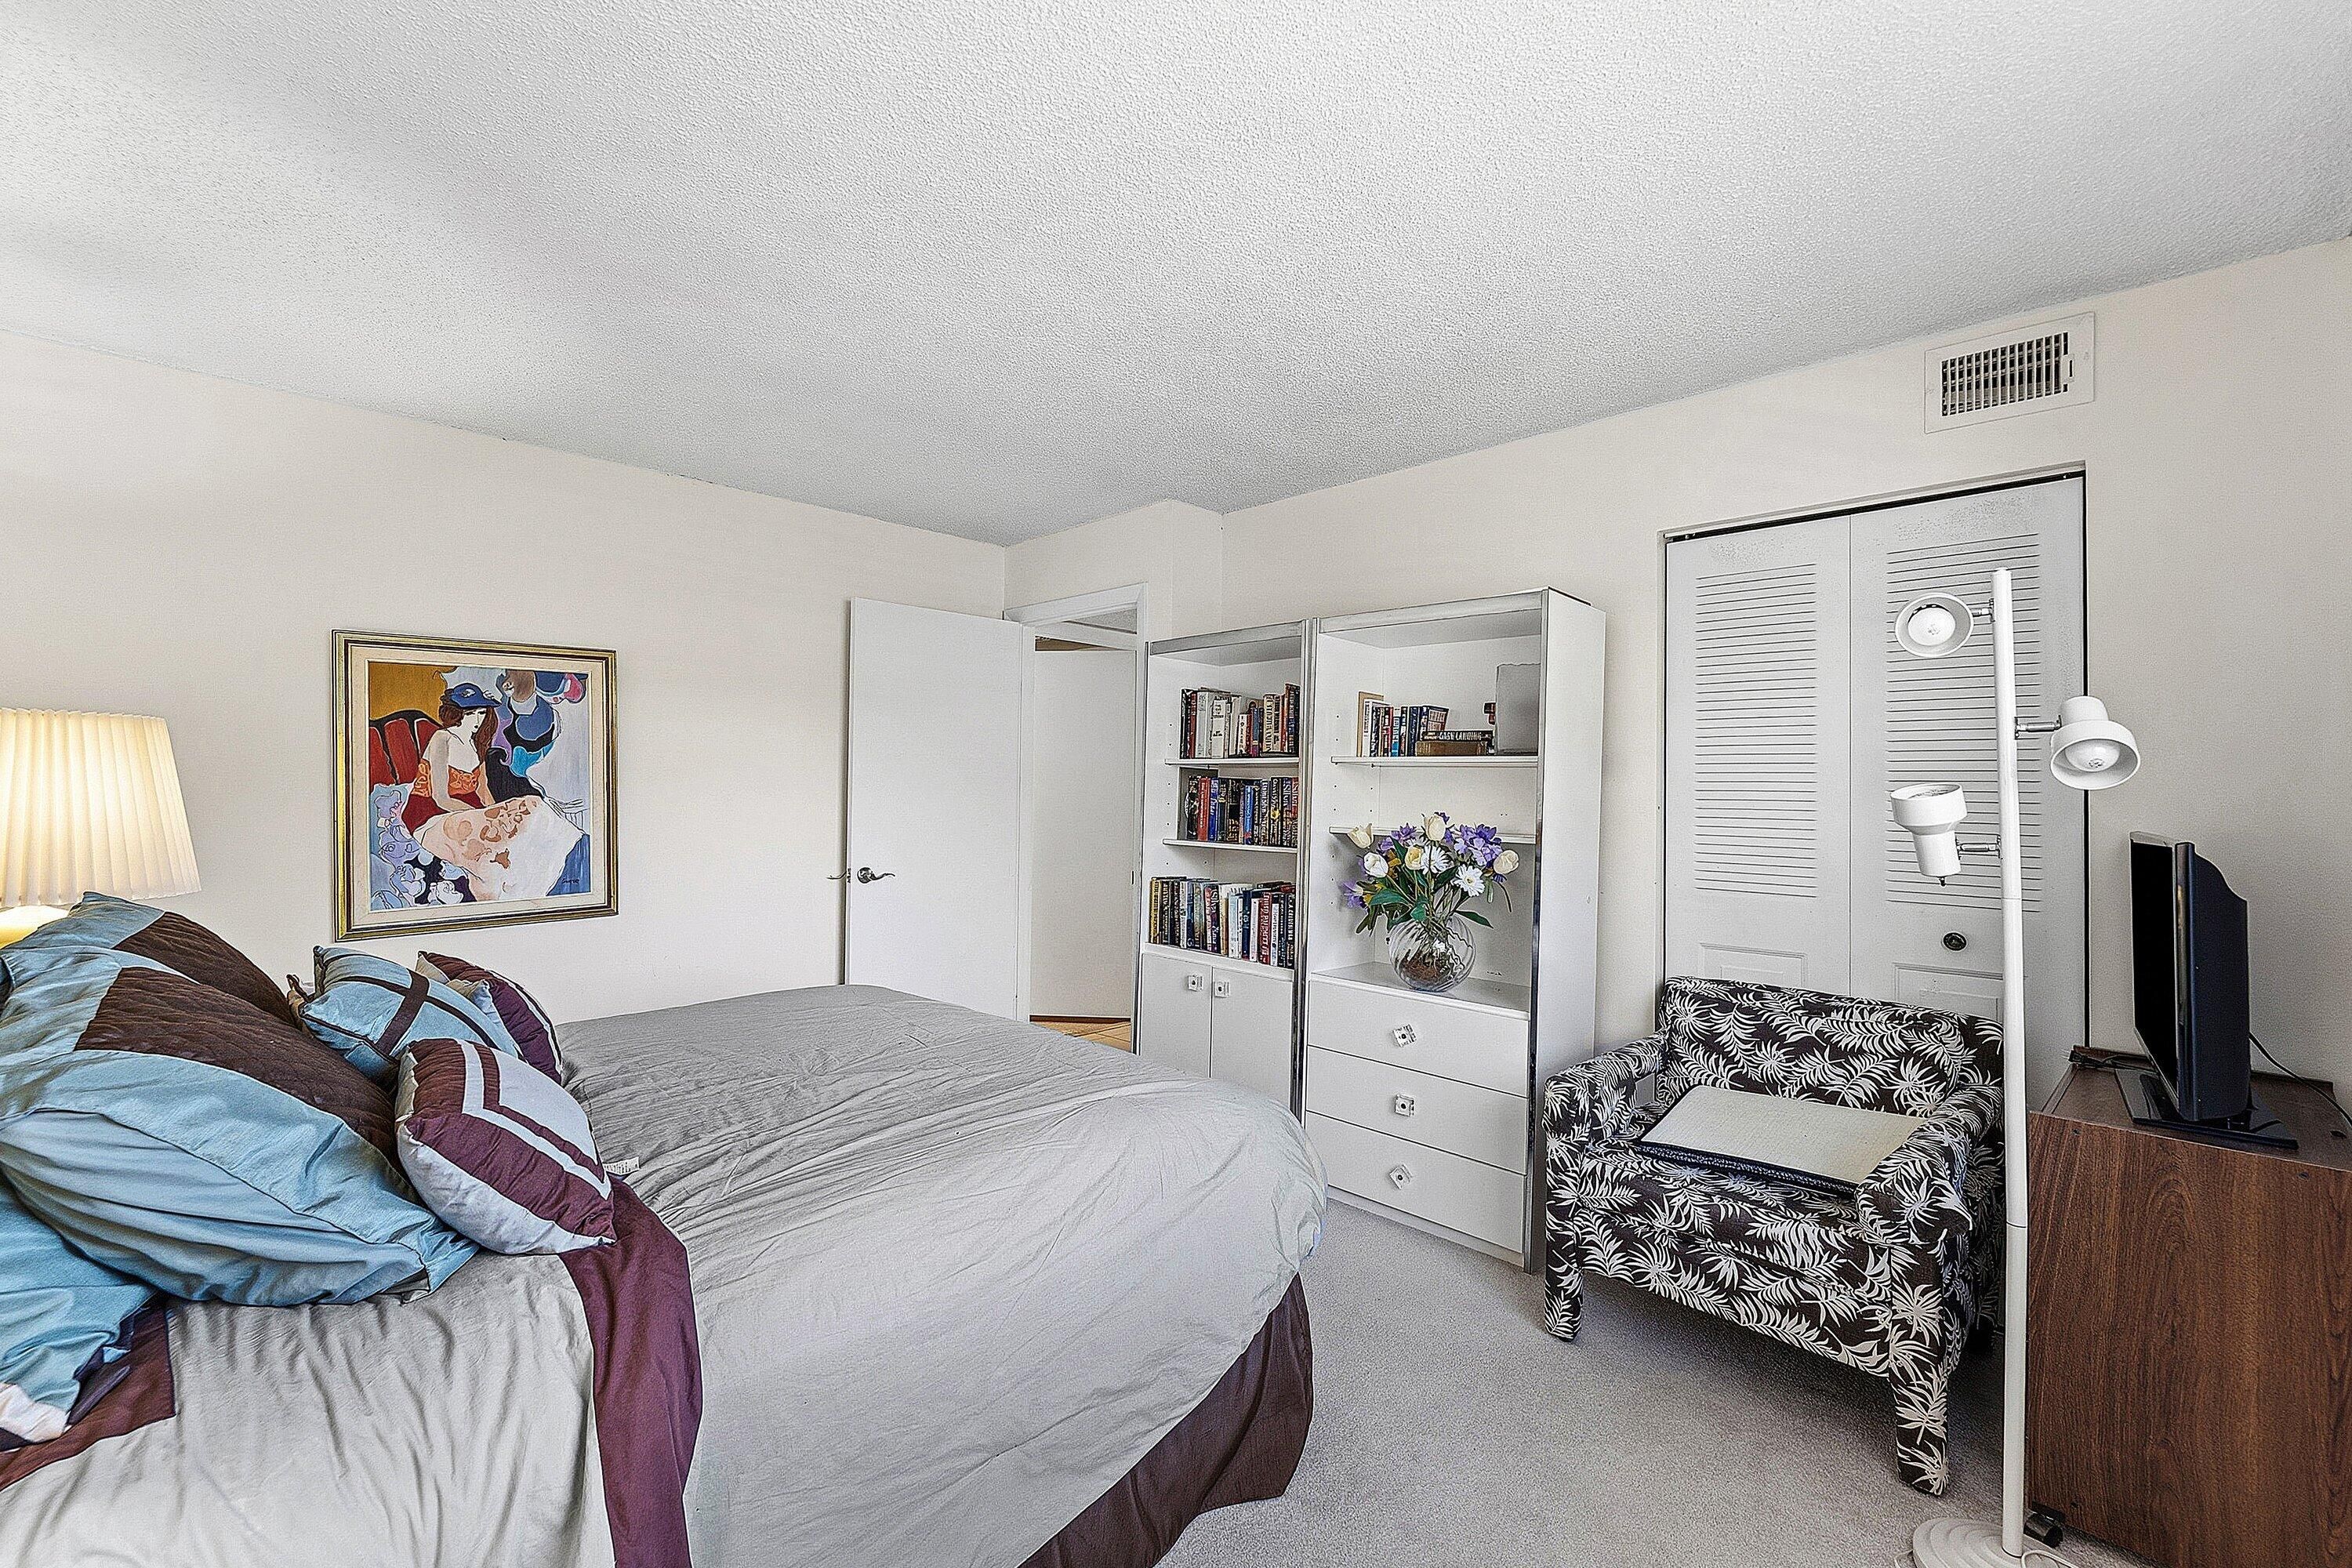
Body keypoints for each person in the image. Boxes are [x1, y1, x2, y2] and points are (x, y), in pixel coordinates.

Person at [400, 691, 495, 834]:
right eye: (470, 714)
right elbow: (441, 798)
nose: (477, 720)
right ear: (456, 713)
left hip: (469, 806)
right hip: (430, 809)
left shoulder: (477, 743)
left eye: (482, 713)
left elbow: (483, 790)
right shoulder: (442, 738)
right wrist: (478, 816)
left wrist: (494, 813)